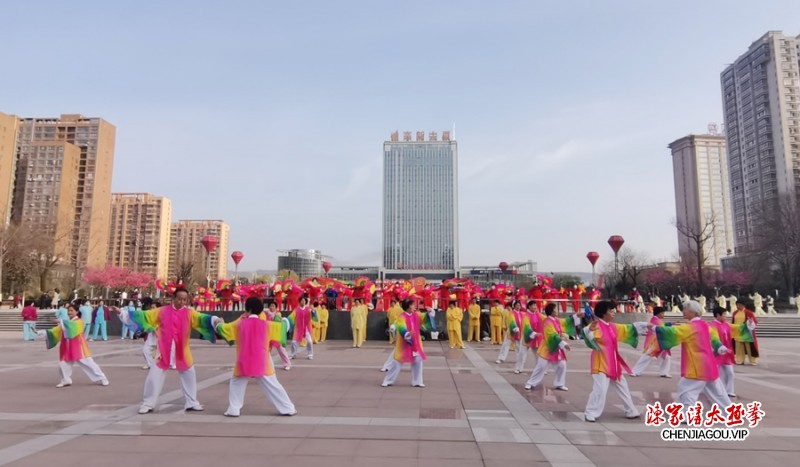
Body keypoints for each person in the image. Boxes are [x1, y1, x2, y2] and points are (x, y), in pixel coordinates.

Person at [113, 287, 221, 414]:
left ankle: (191, 402)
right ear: (173, 298)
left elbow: (203, 319)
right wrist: (122, 313)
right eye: (179, 299)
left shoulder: (190, 313)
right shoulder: (162, 311)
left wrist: (215, 320)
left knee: (189, 375)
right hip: (163, 349)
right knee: (154, 377)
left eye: (185, 300)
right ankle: (148, 403)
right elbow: (144, 316)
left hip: (182, 350)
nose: (182, 302)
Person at [215, 297, 296, 417]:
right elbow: (283, 327)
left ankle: (234, 409)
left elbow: (224, 329)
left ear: (247, 309)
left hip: (243, 361)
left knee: (236, 383)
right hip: (262, 361)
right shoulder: (267, 324)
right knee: (273, 385)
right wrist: (285, 320)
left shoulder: (239, 324)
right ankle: (287, 408)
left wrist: (218, 324)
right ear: (261, 310)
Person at [650, 300, 733, 417]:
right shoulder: (704, 325)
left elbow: (673, 332)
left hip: (696, 366)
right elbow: (714, 338)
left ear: (693, 312)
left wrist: (654, 328)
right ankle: (730, 413)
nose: (683, 311)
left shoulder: (691, 327)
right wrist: (720, 347)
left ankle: (687, 416)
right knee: (718, 392)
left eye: (685, 309)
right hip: (709, 365)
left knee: (687, 389)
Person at [582, 301, 647, 422]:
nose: (613, 313)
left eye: (613, 310)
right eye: (610, 311)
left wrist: (644, 325)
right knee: (600, 389)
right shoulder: (596, 325)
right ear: (603, 313)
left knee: (623, 386)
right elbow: (587, 335)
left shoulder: (612, 326)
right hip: (600, 363)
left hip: (613, 363)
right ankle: (590, 412)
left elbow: (628, 328)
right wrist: (588, 331)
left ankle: (630, 410)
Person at [36, 302, 109, 388]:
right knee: (63, 364)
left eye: (71, 310)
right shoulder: (66, 322)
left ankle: (102, 378)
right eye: (68, 310)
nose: (69, 312)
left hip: (79, 348)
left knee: (89, 364)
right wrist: (40, 332)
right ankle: (66, 380)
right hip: (67, 348)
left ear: (77, 311)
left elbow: (71, 327)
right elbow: (55, 331)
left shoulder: (79, 321)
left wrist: (61, 321)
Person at [381, 299, 435, 388]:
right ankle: (388, 380)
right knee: (397, 362)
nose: (414, 306)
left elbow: (424, 318)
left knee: (418, 360)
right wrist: (407, 334)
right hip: (404, 343)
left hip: (416, 343)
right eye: (412, 305)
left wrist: (429, 312)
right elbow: (401, 327)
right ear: (408, 307)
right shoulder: (401, 317)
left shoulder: (416, 315)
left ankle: (417, 381)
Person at [524, 302, 575, 391]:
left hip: (555, 348)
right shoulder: (547, 322)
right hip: (547, 348)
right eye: (555, 309)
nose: (557, 311)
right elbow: (553, 335)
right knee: (541, 367)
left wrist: (576, 317)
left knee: (562, 365)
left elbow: (565, 321)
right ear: (551, 311)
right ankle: (530, 383)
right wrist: (564, 344)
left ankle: (560, 383)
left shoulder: (556, 320)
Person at [710, 306, 756, 398]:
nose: (726, 317)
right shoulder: (712, 325)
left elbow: (738, 328)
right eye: (724, 315)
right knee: (718, 373)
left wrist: (747, 324)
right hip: (717, 353)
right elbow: (713, 339)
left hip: (727, 353)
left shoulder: (726, 325)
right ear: (718, 315)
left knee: (730, 372)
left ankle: (729, 390)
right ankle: (718, 390)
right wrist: (720, 347)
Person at [630, 306, 671, 378]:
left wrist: (668, 324)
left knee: (666, 357)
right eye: (662, 313)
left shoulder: (656, 320)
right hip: (653, 343)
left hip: (659, 343)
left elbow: (662, 327)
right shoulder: (655, 320)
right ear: (658, 313)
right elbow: (660, 329)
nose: (663, 315)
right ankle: (635, 371)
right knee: (646, 357)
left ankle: (664, 372)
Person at [265, 299, 292, 370]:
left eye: (273, 306)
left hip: (277, 335)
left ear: (276, 307)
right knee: (266, 351)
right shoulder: (266, 315)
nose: (271, 307)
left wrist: (272, 315)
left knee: (281, 350)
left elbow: (277, 320)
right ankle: (264, 365)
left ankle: (287, 364)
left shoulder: (278, 314)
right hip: (269, 335)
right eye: (270, 306)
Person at [732, 300, 759, 365]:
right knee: (739, 347)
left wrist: (750, 322)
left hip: (746, 332)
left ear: (743, 305)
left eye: (740, 305)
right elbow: (733, 322)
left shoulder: (749, 312)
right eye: (737, 305)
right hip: (738, 332)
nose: (738, 306)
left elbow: (754, 321)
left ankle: (753, 360)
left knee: (749, 347)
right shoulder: (735, 313)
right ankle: (740, 360)